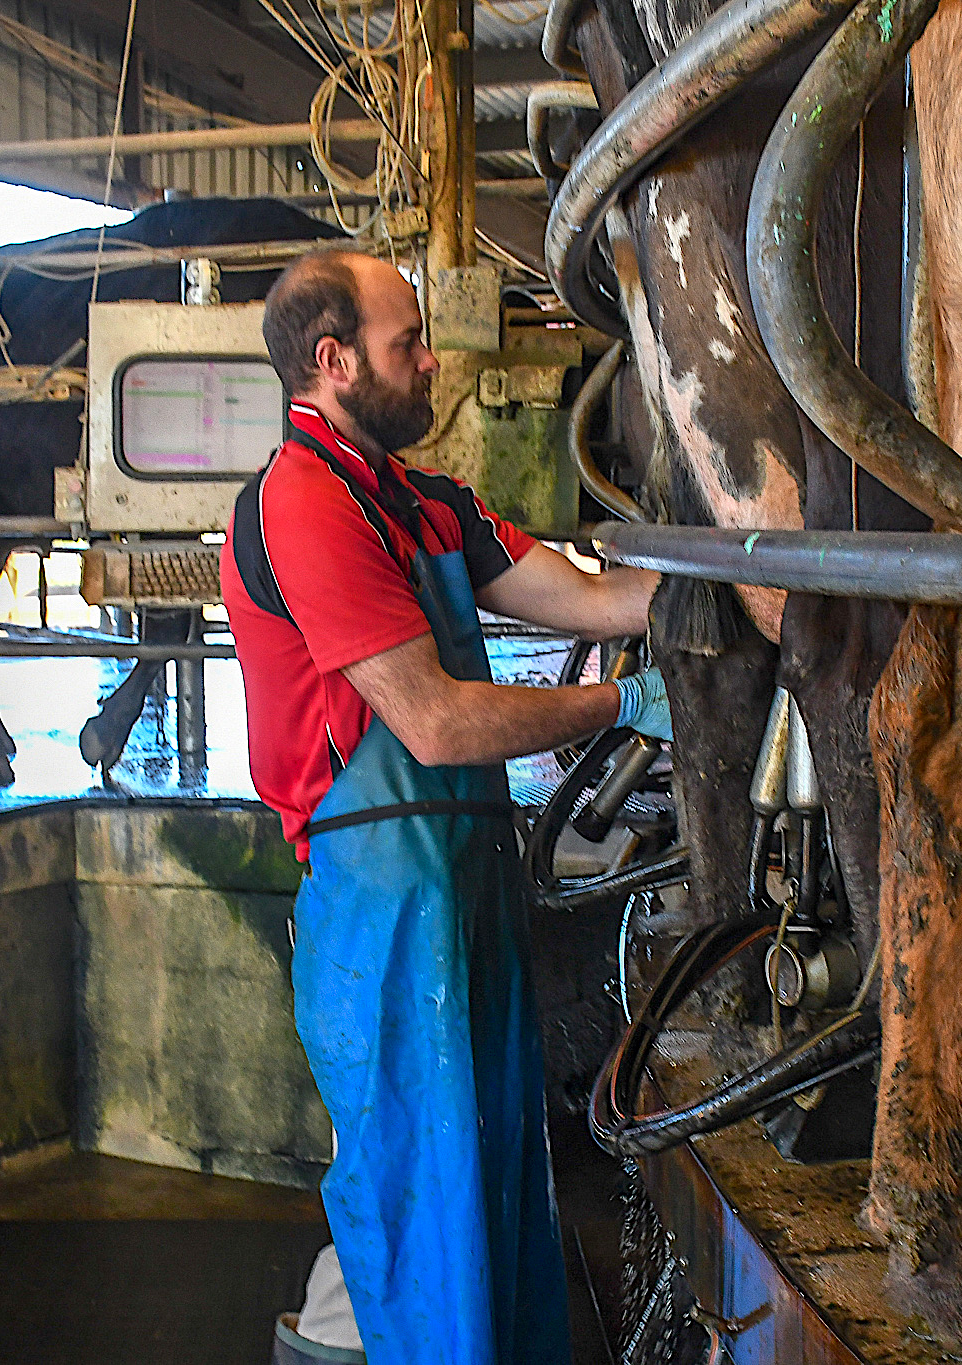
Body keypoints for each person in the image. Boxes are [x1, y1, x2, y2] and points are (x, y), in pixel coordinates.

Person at [220, 247, 669, 1365]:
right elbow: (433, 722)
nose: (431, 361)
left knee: (499, 1193)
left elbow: (603, 596)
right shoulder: (303, 504)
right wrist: (620, 701)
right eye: (405, 342)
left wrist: (737, 554)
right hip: (380, 907)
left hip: (468, 887)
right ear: (332, 362)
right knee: (423, 1214)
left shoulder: (424, 505)